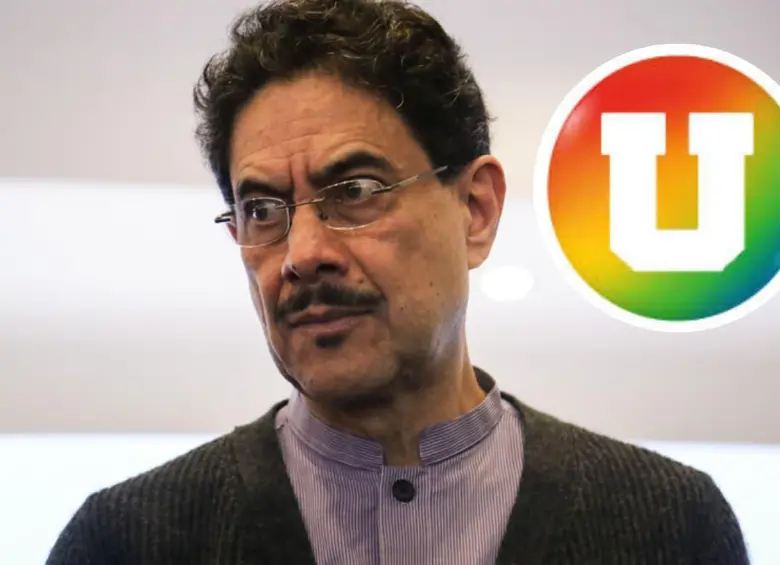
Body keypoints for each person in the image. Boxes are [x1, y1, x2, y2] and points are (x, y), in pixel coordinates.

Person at [46, 0, 750, 563]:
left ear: (475, 210)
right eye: (262, 209)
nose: (302, 254)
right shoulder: (128, 540)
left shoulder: (665, 527)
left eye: (355, 190)